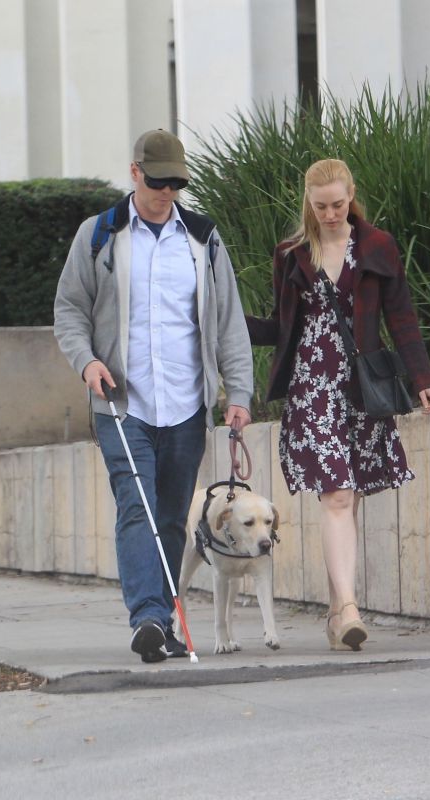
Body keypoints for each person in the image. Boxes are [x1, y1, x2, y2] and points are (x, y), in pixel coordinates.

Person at [54, 129, 253, 663]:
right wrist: (88, 361)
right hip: (123, 405)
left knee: (170, 517)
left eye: (177, 183)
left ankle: (161, 621)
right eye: (158, 180)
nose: (168, 192)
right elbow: (69, 310)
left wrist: (239, 392)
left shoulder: (203, 240)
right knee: (136, 507)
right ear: (135, 172)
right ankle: (147, 616)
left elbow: (228, 323)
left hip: (187, 405)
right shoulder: (98, 236)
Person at [246, 158, 430, 652]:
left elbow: (402, 315)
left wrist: (422, 378)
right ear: (307, 202)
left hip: (361, 387)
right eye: (321, 206)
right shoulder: (291, 254)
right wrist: (227, 320)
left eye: (338, 204)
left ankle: (336, 613)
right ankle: (351, 609)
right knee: (336, 496)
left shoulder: (378, 247)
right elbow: (281, 326)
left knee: (346, 499)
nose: (331, 213)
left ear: (351, 194)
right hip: (312, 388)